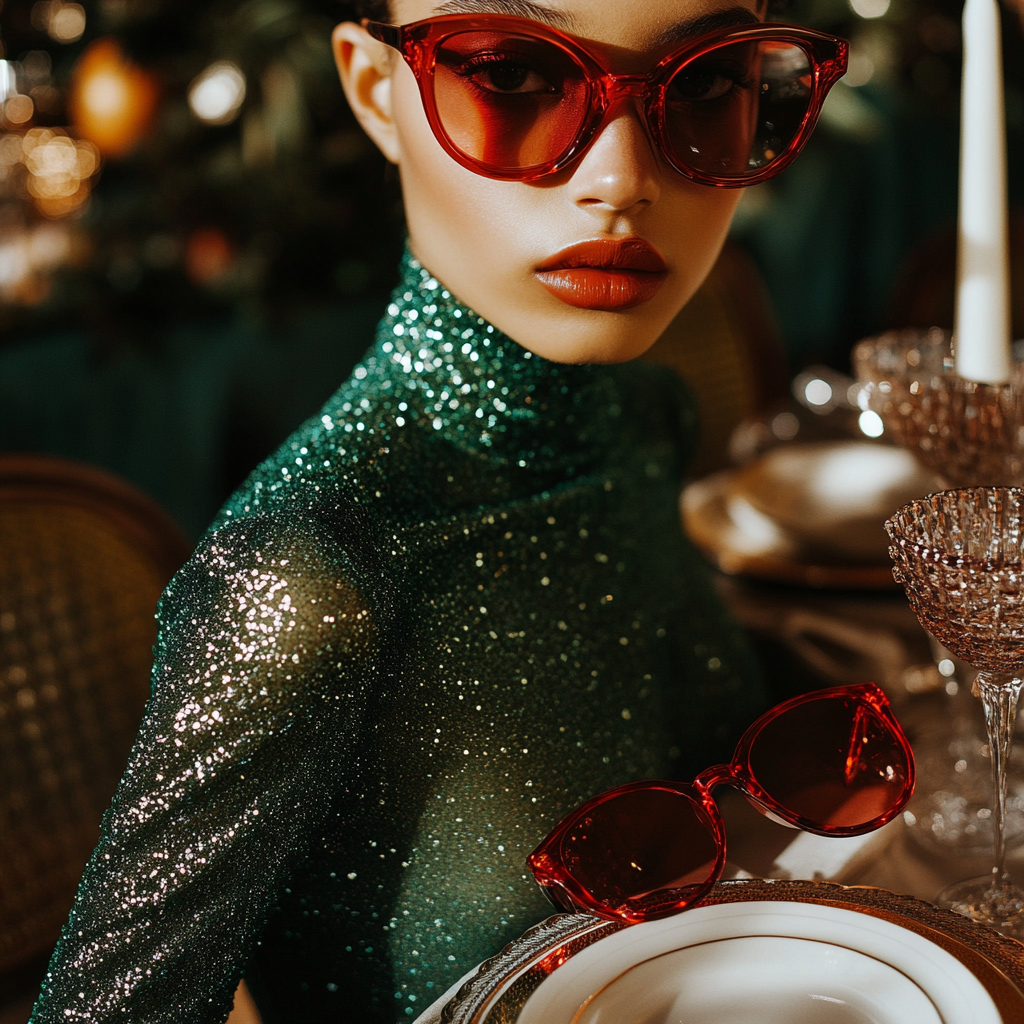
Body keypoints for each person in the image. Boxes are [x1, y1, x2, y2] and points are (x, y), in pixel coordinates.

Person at [29, 2, 846, 1021]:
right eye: (510, 75)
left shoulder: (643, 420)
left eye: (710, 81)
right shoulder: (305, 578)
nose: (623, 177)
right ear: (376, 89)